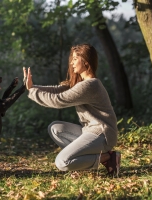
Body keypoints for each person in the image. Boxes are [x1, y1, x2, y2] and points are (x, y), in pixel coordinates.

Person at [23, 43, 121, 176]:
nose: (72, 63)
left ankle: (107, 158)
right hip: (90, 131)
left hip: (103, 134)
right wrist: (33, 87)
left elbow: (58, 100)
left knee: (62, 162)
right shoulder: (82, 83)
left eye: (75, 59)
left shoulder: (90, 85)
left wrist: (32, 91)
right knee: (55, 128)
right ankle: (92, 158)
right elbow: (57, 90)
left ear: (85, 61)